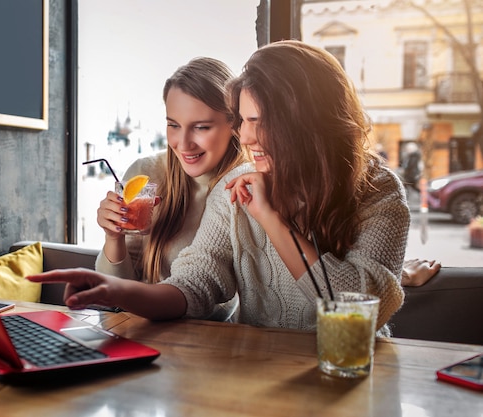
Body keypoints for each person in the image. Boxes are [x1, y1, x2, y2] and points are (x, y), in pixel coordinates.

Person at [28, 40, 409, 335]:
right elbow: (195, 285)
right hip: (257, 366)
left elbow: (361, 308)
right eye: (243, 121)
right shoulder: (235, 187)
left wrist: (273, 221)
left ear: (305, 121)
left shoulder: (379, 192)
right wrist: (115, 289)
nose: (246, 136)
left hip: (351, 363)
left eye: (258, 120)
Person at [94, 57, 247, 320]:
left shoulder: (244, 187)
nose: (183, 144)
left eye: (201, 127)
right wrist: (113, 236)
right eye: (173, 125)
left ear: (233, 124)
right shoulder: (146, 174)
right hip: (140, 328)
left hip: (210, 339)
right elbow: (115, 296)